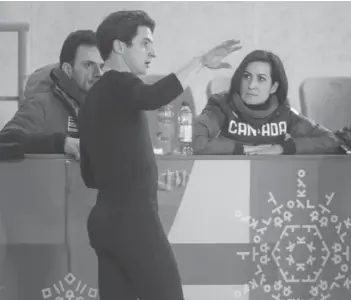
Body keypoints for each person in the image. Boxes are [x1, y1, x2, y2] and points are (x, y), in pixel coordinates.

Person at [78, 10, 241, 300]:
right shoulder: (120, 83)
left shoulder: (92, 98)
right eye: (144, 44)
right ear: (119, 46)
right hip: (133, 222)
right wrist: (200, 62)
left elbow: (91, 176)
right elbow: (153, 97)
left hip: (104, 223)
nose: (153, 52)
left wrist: (147, 180)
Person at [193, 50, 339, 155]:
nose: (251, 85)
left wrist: (281, 148)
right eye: (246, 76)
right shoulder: (220, 105)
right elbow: (192, 142)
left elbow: (330, 140)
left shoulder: (284, 112)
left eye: (261, 79)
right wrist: (242, 149)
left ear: (273, 87)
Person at [0, 30, 103, 160]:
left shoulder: (108, 108)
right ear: (68, 70)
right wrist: (61, 143)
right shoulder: (41, 105)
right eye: (89, 65)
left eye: (102, 66)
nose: (99, 73)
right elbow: (5, 140)